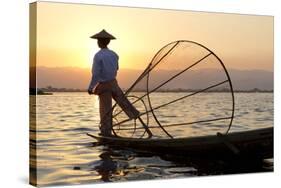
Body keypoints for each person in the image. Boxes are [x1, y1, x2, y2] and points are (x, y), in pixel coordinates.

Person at [88, 29, 141, 137]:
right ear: (108, 42)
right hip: (114, 83)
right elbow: (116, 69)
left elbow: (96, 74)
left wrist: (91, 87)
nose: (98, 42)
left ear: (99, 42)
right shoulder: (114, 54)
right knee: (125, 103)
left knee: (105, 110)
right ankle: (135, 115)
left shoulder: (98, 55)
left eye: (98, 41)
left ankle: (106, 132)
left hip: (104, 86)